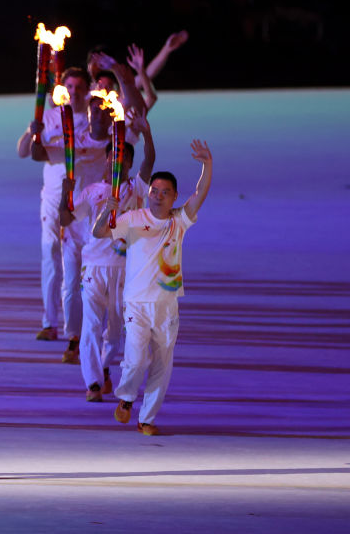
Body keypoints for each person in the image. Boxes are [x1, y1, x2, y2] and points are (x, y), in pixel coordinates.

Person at [92, 140, 212, 435]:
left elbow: (200, 195)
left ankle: (147, 418)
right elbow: (99, 232)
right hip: (135, 303)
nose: (158, 196)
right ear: (148, 194)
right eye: (154, 191)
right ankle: (126, 399)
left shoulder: (178, 222)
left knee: (162, 363)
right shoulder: (133, 219)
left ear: (174, 197)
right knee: (134, 359)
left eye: (165, 193)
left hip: (166, 305)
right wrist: (106, 211)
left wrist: (207, 165)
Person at [60, 115, 154, 401]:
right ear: (106, 160)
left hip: (124, 268)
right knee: (91, 324)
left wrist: (147, 135)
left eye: (124, 157)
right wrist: (66, 191)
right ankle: (92, 383)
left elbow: (149, 161)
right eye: (114, 156)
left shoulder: (137, 189)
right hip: (94, 266)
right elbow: (65, 218)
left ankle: (103, 367)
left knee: (114, 328)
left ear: (129, 163)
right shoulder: (92, 192)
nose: (118, 161)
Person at [17, 67, 100, 355]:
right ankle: (50, 321)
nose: (75, 91)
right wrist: (33, 133)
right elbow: (25, 153)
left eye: (79, 86)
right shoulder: (49, 116)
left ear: (87, 89)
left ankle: (80, 327)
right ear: (63, 88)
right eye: (70, 86)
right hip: (53, 197)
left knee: (81, 262)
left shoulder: (97, 117)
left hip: (86, 200)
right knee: (50, 252)